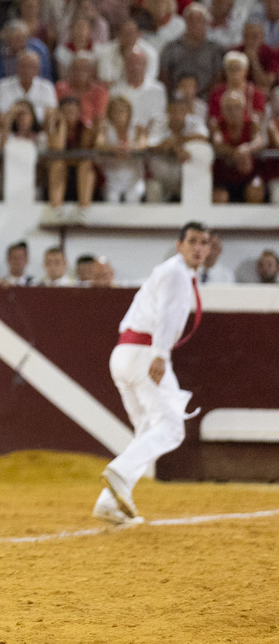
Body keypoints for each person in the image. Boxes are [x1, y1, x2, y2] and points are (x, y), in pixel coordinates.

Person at [94, 222, 211, 526]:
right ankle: (120, 473)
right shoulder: (175, 273)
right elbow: (167, 315)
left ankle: (109, 503)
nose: (198, 247)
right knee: (171, 428)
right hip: (147, 354)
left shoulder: (173, 271)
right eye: (193, 241)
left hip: (125, 354)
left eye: (204, 242)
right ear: (180, 245)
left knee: (147, 431)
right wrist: (160, 354)